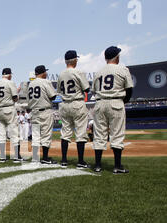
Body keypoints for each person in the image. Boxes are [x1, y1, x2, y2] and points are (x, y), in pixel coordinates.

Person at [92, 46, 134, 174]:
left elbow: (94, 91)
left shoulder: (98, 72)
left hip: (100, 103)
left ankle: (98, 165)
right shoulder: (123, 69)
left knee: (99, 135)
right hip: (116, 102)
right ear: (117, 57)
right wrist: (123, 101)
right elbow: (129, 89)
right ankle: (117, 166)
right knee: (117, 134)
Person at [57, 50, 91, 170]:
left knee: (65, 133)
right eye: (76, 59)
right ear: (74, 60)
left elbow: (59, 91)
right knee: (80, 133)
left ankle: (64, 160)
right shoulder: (78, 72)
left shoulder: (61, 74)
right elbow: (87, 89)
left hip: (65, 104)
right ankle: (81, 161)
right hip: (77, 103)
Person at [27, 65, 58, 164]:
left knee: (36, 136)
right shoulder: (46, 82)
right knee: (46, 135)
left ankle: (35, 158)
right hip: (44, 111)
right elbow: (53, 96)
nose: (46, 73)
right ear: (43, 72)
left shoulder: (31, 84)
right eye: (45, 72)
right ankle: (45, 158)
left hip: (34, 112)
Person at [0, 68, 22, 163]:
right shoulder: (10, 82)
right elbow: (15, 98)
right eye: (11, 74)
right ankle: (17, 156)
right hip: (8, 108)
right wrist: (17, 92)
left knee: (1, 134)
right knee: (14, 132)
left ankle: (2, 157)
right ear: (9, 74)